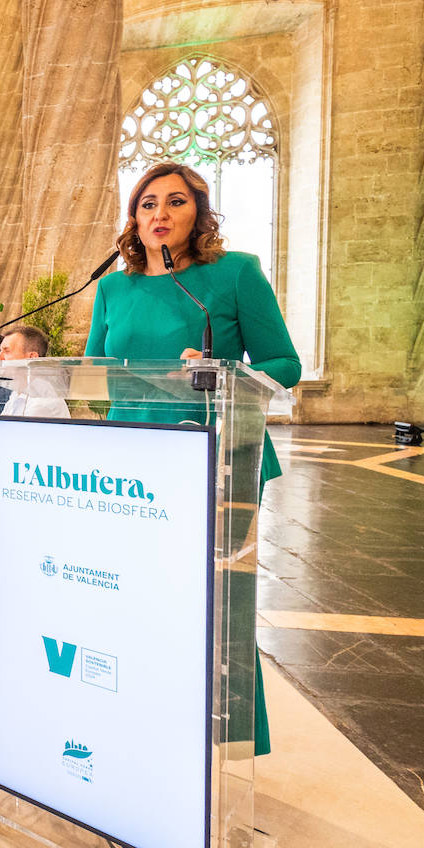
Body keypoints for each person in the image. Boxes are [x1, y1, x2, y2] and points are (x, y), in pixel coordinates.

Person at [84, 161, 301, 759]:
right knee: (136, 597)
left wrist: (222, 371)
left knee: (215, 602)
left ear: (198, 213)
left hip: (219, 456)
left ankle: (224, 737)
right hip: (130, 464)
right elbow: (92, 370)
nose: (160, 214)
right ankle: (140, 716)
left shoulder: (235, 274)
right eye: (148, 203)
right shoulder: (113, 287)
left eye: (175, 202)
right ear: (134, 217)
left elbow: (285, 365)